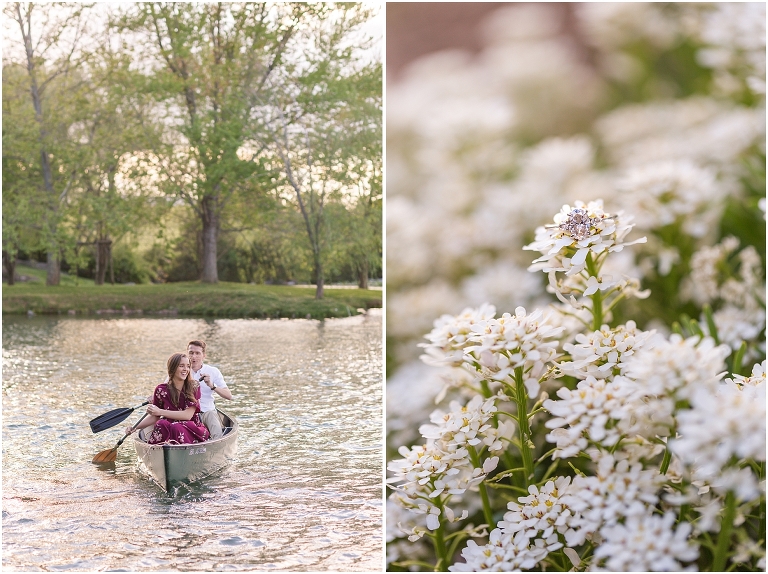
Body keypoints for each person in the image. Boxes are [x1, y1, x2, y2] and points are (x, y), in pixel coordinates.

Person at [127, 352, 210, 444]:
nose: (185, 369)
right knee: (161, 423)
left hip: (192, 428)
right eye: (181, 366)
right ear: (173, 368)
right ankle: (159, 450)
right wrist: (134, 427)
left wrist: (160, 411)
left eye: (187, 366)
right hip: (170, 426)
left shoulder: (194, 386)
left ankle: (176, 449)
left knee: (176, 427)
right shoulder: (161, 390)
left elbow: (187, 415)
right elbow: (155, 417)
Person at [186, 340, 232, 440]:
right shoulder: (181, 370)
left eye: (197, 353)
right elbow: (165, 388)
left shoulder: (213, 371)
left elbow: (229, 396)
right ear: (187, 354)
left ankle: (216, 444)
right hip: (186, 413)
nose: (193, 356)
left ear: (204, 356)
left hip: (207, 411)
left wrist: (212, 385)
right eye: (191, 353)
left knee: (215, 426)